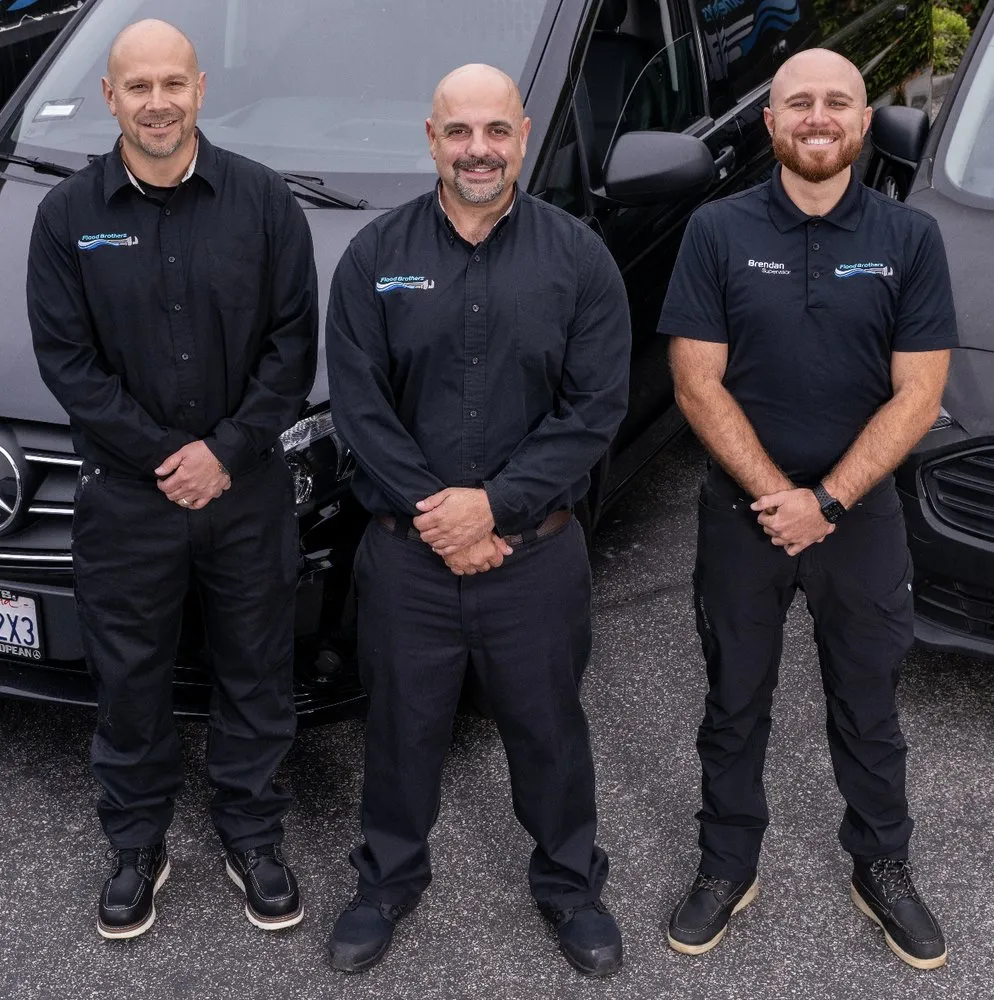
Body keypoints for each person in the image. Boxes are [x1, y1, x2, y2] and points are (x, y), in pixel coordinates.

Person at [325, 63, 631, 977]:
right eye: (458, 133)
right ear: (430, 139)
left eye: (495, 132)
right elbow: (360, 407)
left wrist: (492, 507)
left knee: (548, 729)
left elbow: (594, 408)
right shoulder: (375, 258)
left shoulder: (579, 259)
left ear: (523, 136)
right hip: (405, 559)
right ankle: (386, 879)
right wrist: (441, 517)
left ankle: (571, 886)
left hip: (533, 558)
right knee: (400, 728)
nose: (478, 151)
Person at [658, 49, 956, 970]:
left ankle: (883, 866)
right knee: (733, 701)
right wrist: (777, 497)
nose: (818, 117)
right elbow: (695, 382)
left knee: (868, 704)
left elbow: (918, 393)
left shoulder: (910, 239)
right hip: (743, 512)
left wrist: (826, 499)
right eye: (799, 104)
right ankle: (725, 864)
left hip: (859, 517)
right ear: (771, 123)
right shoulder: (715, 230)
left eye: (838, 103)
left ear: (864, 123)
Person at [27, 20, 317, 939]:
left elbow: (291, 348)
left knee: (255, 670)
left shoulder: (265, 204)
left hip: (246, 493)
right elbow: (67, 364)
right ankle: (136, 845)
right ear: (110, 99)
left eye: (172, 84)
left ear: (200, 89)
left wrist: (223, 453)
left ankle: (252, 833)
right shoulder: (66, 218)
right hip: (127, 501)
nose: (158, 102)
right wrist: (166, 457)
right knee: (130, 678)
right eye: (137, 87)